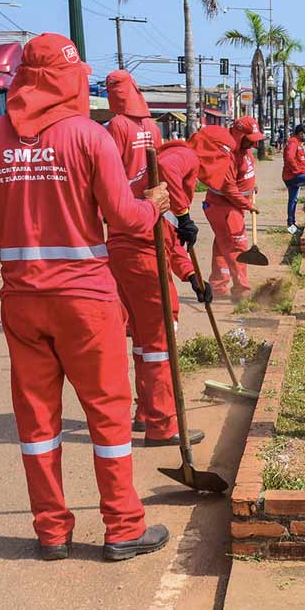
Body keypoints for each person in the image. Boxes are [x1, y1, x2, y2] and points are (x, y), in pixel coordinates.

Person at [0, 33, 172, 562]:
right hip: (85, 299)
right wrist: (156, 207)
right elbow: (124, 217)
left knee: (36, 422)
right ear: (71, 79)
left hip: (23, 302)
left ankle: (51, 531)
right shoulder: (89, 137)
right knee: (108, 416)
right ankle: (123, 527)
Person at [103, 70, 205, 447]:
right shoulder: (152, 130)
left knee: (145, 340)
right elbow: (164, 223)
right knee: (160, 337)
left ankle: (146, 412)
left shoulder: (113, 128)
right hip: (140, 235)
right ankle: (163, 427)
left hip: (123, 236)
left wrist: (193, 274)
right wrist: (182, 216)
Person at [199, 119, 259, 299]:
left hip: (233, 206)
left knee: (222, 245)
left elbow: (243, 176)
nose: (254, 143)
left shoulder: (245, 151)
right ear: (239, 136)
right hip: (223, 206)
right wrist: (248, 205)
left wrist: (251, 188)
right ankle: (242, 291)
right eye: (250, 139)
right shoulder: (228, 155)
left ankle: (218, 287)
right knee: (237, 246)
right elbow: (229, 189)